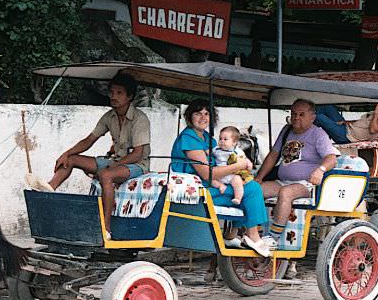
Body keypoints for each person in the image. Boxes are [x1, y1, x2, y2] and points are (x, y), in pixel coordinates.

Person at [34, 73, 150, 239]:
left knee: (105, 174)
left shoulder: (140, 119)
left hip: (138, 165)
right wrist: (66, 153)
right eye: (112, 92)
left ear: (130, 96)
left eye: (119, 93)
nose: (113, 97)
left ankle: (106, 228)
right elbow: (89, 140)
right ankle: (50, 187)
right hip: (115, 161)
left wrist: (114, 166)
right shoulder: (109, 116)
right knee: (72, 160)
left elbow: (138, 154)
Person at [171, 100, 271, 257]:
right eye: (198, 113)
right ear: (190, 117)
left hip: (212, 185)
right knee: (252, 189)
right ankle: (253, 235)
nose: (203, 117)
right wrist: (238, 166)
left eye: (206, 114)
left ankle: (233, 234)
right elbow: (206, 173)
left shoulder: (209, 139)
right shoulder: (188, 138)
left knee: (248, 186)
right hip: (199, 189)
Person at [256, 99, 338, 248]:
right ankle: (252, 232)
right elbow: (273, 155)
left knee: (286, 193)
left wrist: (320, 170)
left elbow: (331, 159)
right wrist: (259, 178)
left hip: (306, 184)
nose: (296, 118)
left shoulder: (318, 134)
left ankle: (273, 237)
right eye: (293, 113)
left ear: (312, 117)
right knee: (254, 190)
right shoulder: (286, 130)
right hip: (282, 181)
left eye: (301, 114)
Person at [211, 126, 254, 205]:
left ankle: (238, 198)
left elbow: (244, 159)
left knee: (238, 181)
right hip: (220, 173)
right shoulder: (216, 149)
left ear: (234, 142)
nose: (222, 141)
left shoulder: (237, 151)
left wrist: (249, 164)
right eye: (220, 139)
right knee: (211, 179)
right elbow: (209, 152)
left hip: (231, 175)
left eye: (225, 139)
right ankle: (220, 186)